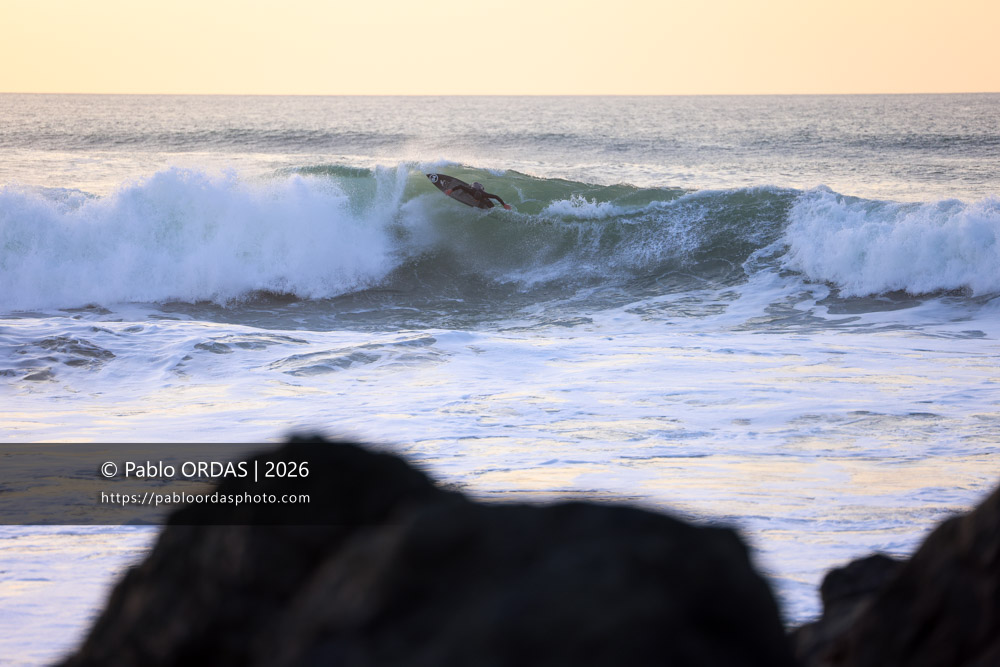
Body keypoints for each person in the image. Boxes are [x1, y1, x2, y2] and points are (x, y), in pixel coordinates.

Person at [445, 181, 512, 210]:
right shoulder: (471, 191)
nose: (475, 200)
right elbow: (460, 186)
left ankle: (486, 203)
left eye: (476, 199)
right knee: (465, 190)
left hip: (481, 187)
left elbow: (496, 196)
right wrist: (451, 190)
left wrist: (504, 204)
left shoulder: (484, 194)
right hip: (473, 185)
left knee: (484, 202)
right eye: (475, 199)